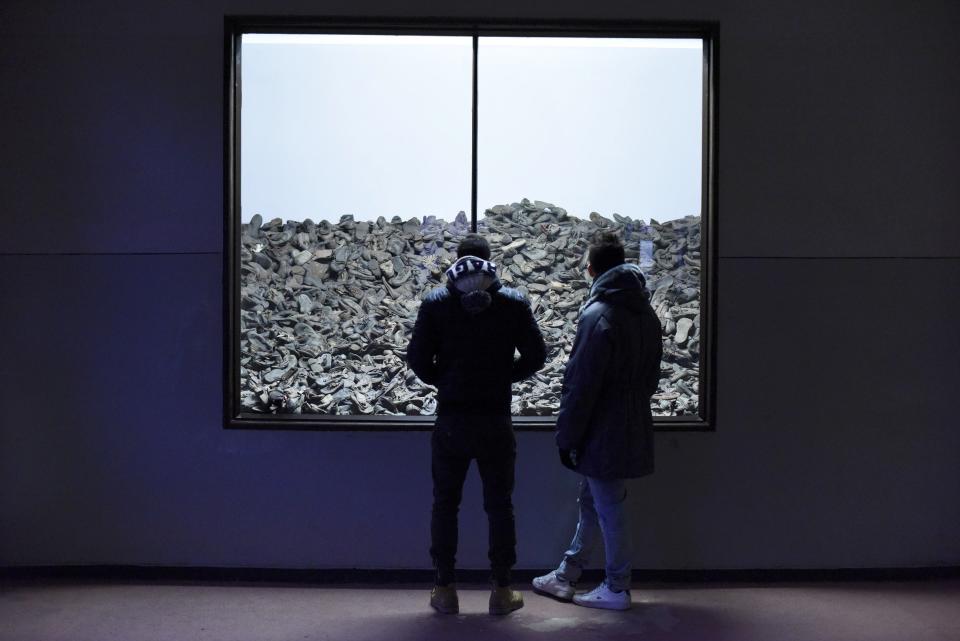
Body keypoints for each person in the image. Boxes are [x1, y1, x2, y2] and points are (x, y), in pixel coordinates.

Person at [407, 233, 547, 615]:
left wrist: (445, 379)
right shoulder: (513, 302)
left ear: (458, 259)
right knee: (500, 506)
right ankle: (502, 591)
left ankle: (444, 589)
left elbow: (417, 358)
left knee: (444, 505)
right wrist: (504, 377)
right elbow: (537, 355)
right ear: (490, 260)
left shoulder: (436, 303)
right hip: (495, 419)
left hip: (452, 418)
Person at [532, 230, 663, 611]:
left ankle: (617, 586)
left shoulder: (597, 315)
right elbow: (652, 376)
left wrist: (567, 436)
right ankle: (567, 575)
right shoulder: (646, 313)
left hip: (602, 428)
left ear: (592, 269)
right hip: (633, 420)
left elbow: (581, 383)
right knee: (593, 501)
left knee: (609, 506)